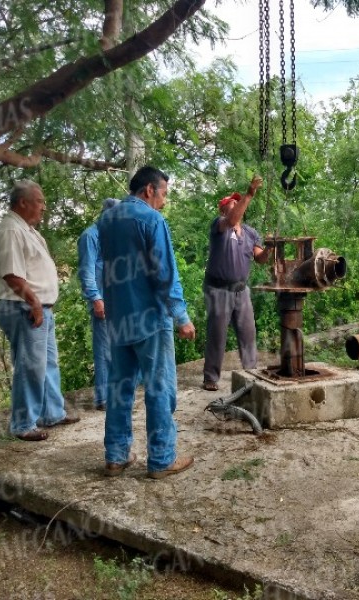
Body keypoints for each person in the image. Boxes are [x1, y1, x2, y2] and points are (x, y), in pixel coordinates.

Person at [98, 166, 196, 479]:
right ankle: (162, 459)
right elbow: (165, 273)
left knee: (119, 389)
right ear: (149, 190)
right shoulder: (152, 220)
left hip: (118, 318)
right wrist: (181, 316)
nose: (164, 201)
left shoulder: (106, 220)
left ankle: (115, 456)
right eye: (164, 193)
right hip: (151, 320)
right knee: (159, 389)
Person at [0, 180, 80, 441]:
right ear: (23, 202)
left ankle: (52, 412)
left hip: (38, 307)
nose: (44, 207)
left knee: (47, 363)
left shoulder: (27, 229)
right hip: (24, 307)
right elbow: (12, 275)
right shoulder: (11, 230)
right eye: (40, 201)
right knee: (30, 366)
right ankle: (22, 423)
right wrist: (34, 303)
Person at [202, 174, 270, 391]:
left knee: (248, 333)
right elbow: (231, 220)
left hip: (241, 290)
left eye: (239, 202)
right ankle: (211, 378)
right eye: (234, 202)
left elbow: (260, 259)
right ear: (224, 210)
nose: (238, 205)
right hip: (219, 290)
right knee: (217, 334)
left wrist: (271, 247)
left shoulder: (250, 232)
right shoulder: (219, 225)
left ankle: (252, 373)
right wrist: (250, 194)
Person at [77, 198, 119, 411]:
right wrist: (96, 298)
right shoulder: (90, 236)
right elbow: (86, 271)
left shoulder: (112, 237)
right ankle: (103, 398)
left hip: (118, 301)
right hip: (102, 301)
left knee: (118, 349)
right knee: (103, 351)